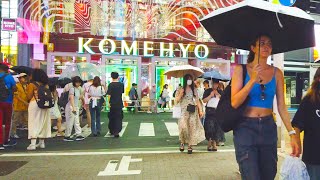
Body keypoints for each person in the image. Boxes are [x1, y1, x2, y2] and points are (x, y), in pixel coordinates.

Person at [231, 35, 299, 179]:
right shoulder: (240, 69)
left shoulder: (277, 73)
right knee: (251, 175)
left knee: (269, 174)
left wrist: (292, 134)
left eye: (269, 43)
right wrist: (252, 81)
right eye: (262, 43)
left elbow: (282, 106)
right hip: (245, 128)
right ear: (253, 48)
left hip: (268, 128)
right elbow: (235, 102)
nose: (266, 46)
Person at [292, 67, 320, 180]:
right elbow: (297, 124)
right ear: (318, 79)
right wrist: (297, 145)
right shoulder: (309, 100)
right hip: (314, 156)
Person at [175, 74, 205, 154]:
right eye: (188, 79)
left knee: (192, 127)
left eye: (190, 79)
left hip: (192, 110)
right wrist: (181, 94)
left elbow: (197, 100)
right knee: (183, 126)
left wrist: (200, 110)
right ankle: (182, 142)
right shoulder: (180, 89)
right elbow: (176, 100)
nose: (189, 80)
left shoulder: (194, 89)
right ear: (185, 80)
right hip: (183, 110)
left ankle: (189, 145)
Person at [26, 69, 51, 150]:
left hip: (35, 104)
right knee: (43, 122)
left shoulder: (32, 85)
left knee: (33, 122)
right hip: (45, 104)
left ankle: (33, 144)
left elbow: (29, 97)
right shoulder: (45, 85)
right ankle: (42, 142)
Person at [0, 63, 16, 149]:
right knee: (7, 122)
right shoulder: (9, 77)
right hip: (7, 101)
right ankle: (6, 140)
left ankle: (0, 142)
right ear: (6, 69)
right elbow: (14, 88)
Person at [202, 79, 222, 151]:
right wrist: (210, 95)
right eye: (213, 84)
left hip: (217, 111)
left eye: (216, 84)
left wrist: (218, 95)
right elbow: (204, 100)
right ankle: (209, 142)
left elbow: (224, 100)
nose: (215, 85)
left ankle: (214, 143)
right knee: (209, 127)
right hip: (210, 111)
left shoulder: (220, 91)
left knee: (216, 127)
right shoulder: (207, 91)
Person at [64, 76, 85, 142]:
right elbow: (71, 98)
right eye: (77, 82)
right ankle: (67, 135)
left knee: (76, 121)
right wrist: (73, 108)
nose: (78, 84)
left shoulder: (78, 89)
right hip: (71, 107)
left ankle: (78, 134)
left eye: (79, 82)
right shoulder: (72, 89)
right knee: (70, 121)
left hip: (75, 107)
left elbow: (79, 98)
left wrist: (82, 96)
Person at [107, 72, 124, 138]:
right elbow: (122, 93)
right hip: (119, 103)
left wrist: (108, 103)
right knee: (119, 118)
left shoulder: (110, 85)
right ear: (118, 77)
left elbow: (109, 95)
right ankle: (117, 131)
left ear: (111, 77)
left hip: (112, 103)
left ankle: (112, 130)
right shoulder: (121, 84)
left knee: (112, 117)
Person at [11, 73, 29, 139]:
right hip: (17, 106)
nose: (25, 79)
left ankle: (30, 133)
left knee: (27, 120)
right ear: (20, 79)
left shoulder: (27, 86)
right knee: (15, 120)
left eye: (25, 77)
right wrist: (25, 102)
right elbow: (17, 96)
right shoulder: (16, 86)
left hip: (26, 106)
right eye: (23, 77)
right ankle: (13, 133)